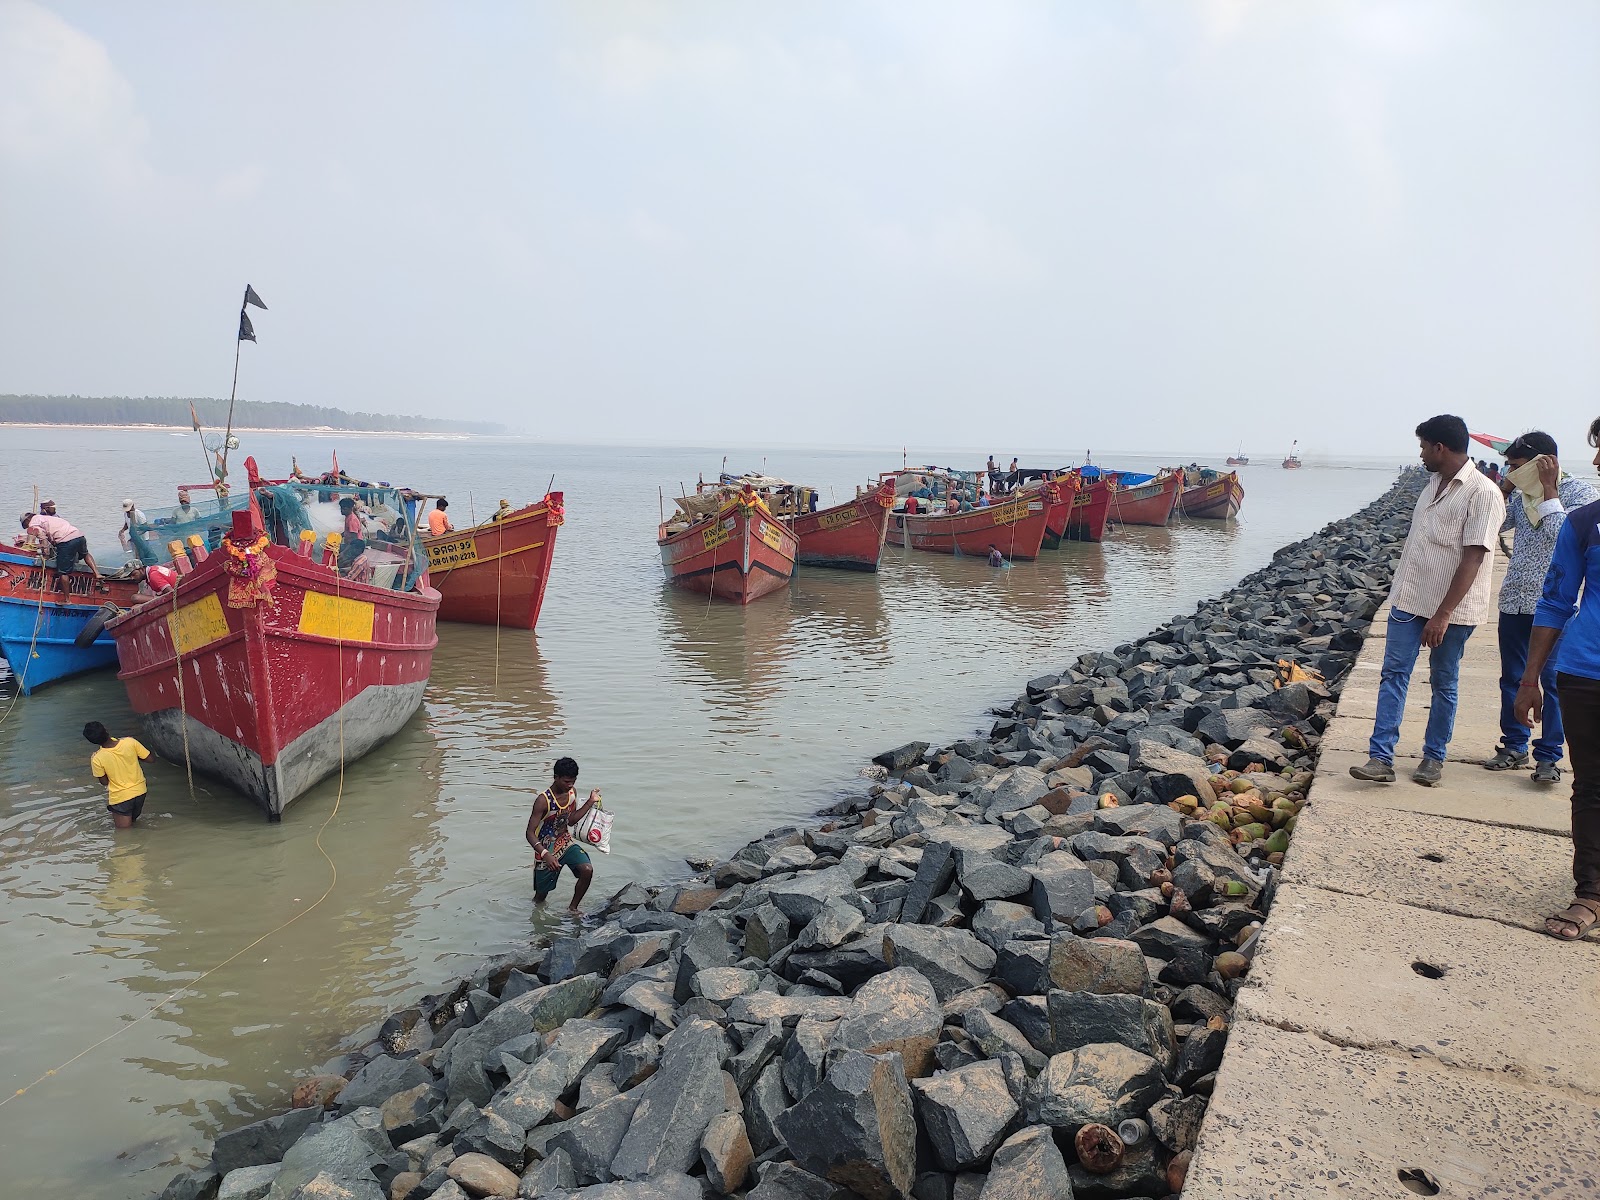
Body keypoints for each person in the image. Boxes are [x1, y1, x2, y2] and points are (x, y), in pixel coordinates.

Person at [1350, 415, 1504, 787]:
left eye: (1423, 446)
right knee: (1393, 675)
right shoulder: (1432, 483)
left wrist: (1443, 614)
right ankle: (1380, 758)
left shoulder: (1483, 493)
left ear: (1440, 447)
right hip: (1410, 598)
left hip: (1453, 611)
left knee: (1443, 681)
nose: (1420, 454)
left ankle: (1433, 757)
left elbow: (1473, 559)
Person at [1516, 417, 1600, 939]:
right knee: (1591, 786)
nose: (1597, 461)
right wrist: (1530, 679)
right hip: (1584, 670)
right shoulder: (1585, 522)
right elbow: (1554, 601)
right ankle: (1590, 891)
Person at [1485, 432, 1599, 782]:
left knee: (1551, 682)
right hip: (1515, 598)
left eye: (1517, 466)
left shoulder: (1579, 494)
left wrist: (1550, 490)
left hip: (1553, 606)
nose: (1512, 472)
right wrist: (1505, 488)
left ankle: (1548, 756)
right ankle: (1514, 744)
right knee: (1513, 678)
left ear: (1543, 463)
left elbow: (1560, 536)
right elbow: (1491, 524)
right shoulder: (1522, 495)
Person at [524, 756, 599, 912]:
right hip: (545, 849)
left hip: (565, 842)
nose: (570, 785)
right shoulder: (543, 800)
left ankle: (573, 909)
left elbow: (570, 821)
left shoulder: (571, 793)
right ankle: (534, 916)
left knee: (587, 870)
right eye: (566, 781)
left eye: (573, 781)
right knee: (540, 897)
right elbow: (530, 833)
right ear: (556, 777)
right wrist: (545, 854)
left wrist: (590, 801)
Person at [84, 721, 151, 829]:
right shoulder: (130, 742)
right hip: (140, 792)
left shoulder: (97, 758)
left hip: (121, 798)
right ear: (106, 730)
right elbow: (150, 759)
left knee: (123, 834)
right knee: (134, 823)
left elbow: (104, 782)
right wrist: (132, 756)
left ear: (93, 742)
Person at [19, 510, 102, 591]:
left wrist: (45, 554)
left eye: (26, 525)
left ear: (27, 520)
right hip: (79, 536)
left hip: (66, 541)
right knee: (85, 554)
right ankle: (97, 573)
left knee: (63, 572)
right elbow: (50, 536)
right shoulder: (47, 518)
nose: (27, 527)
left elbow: (44, 543)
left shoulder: (33, 523)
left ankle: (66, 598)